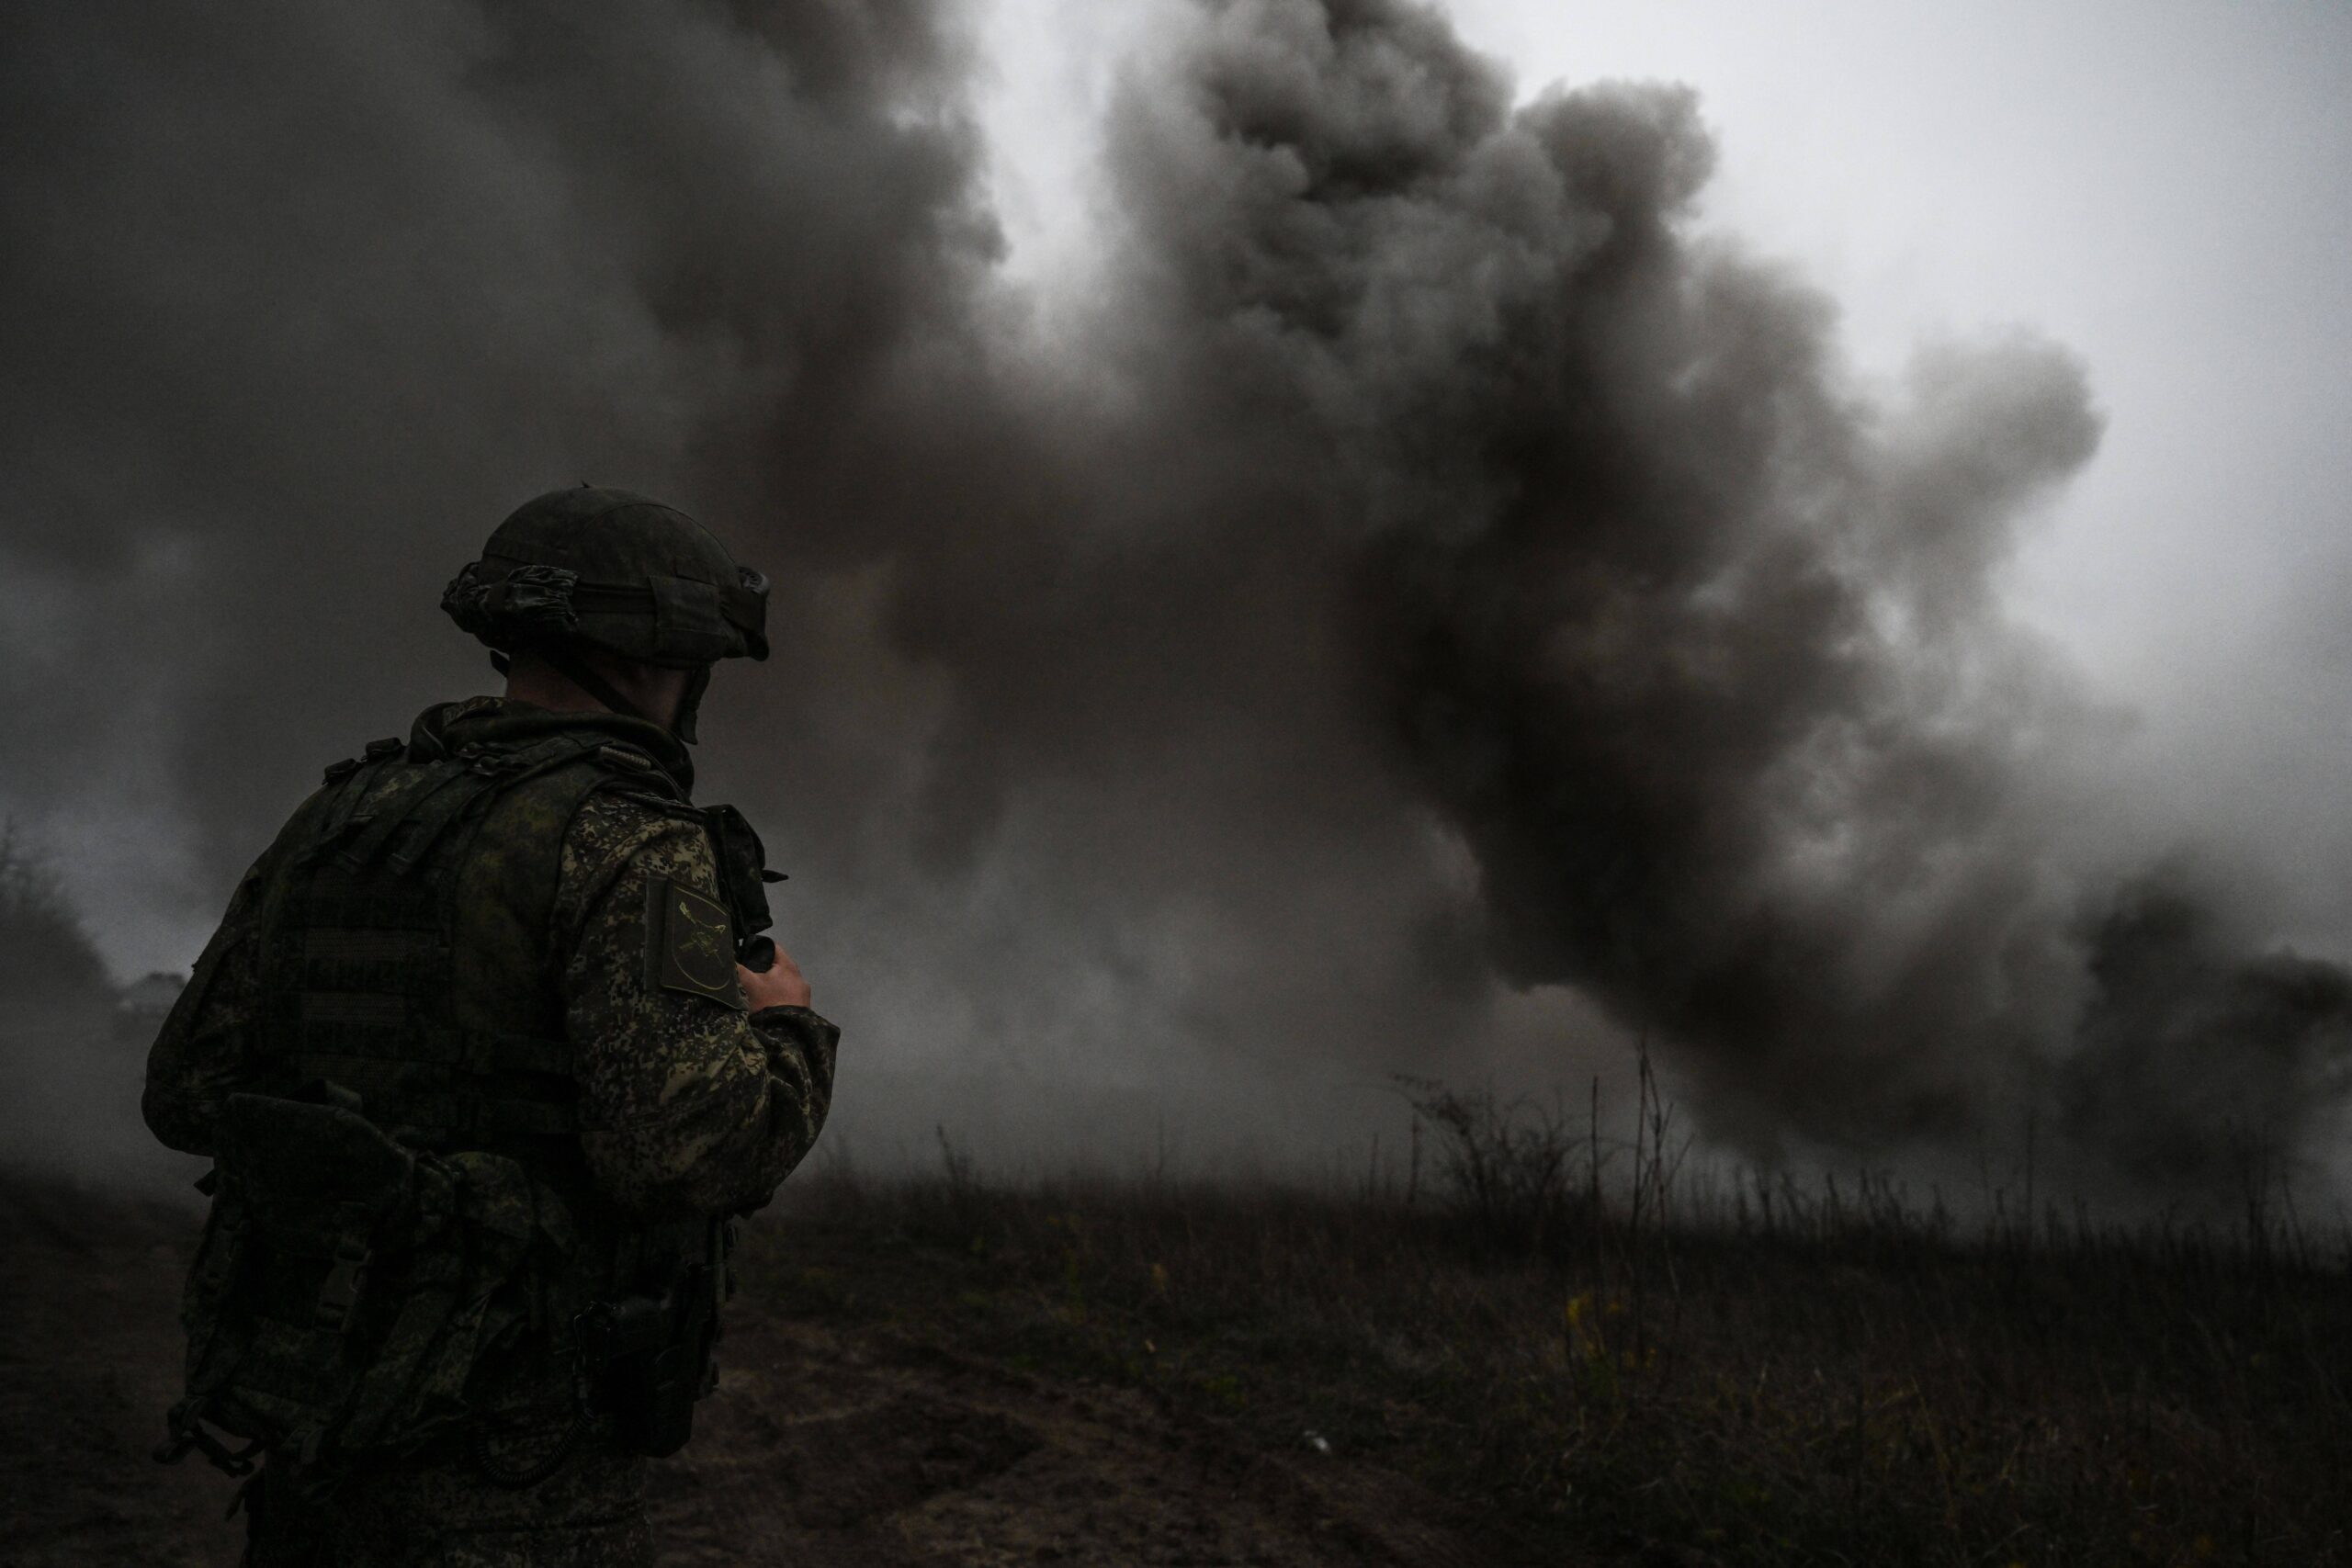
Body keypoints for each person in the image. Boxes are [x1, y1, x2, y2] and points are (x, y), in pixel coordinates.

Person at [141, 487, 839, 1566]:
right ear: (663, 659)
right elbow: (683, 1147)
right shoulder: (631, 838)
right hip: (511, 1457)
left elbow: (188, 1090)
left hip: (322, 1427)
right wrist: (787, 1032)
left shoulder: (343, 816)